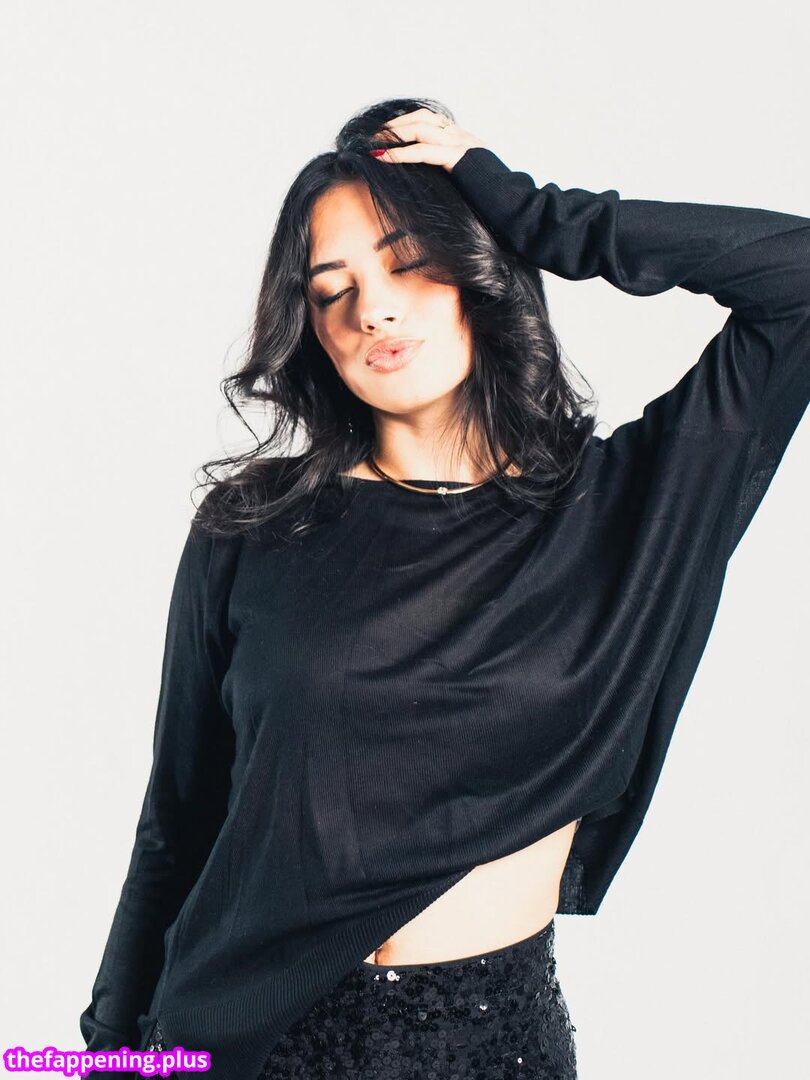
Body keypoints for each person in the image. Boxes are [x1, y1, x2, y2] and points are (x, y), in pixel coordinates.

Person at [80, 97, 809, 1079]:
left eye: (408, 263)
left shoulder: (628, 509)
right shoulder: (253, 526)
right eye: (331, 290)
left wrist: (537, 213)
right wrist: (110, 1052)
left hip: (488, 1042)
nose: (372, 310)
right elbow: (179, 816)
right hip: (243, 1043)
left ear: (479, 268)